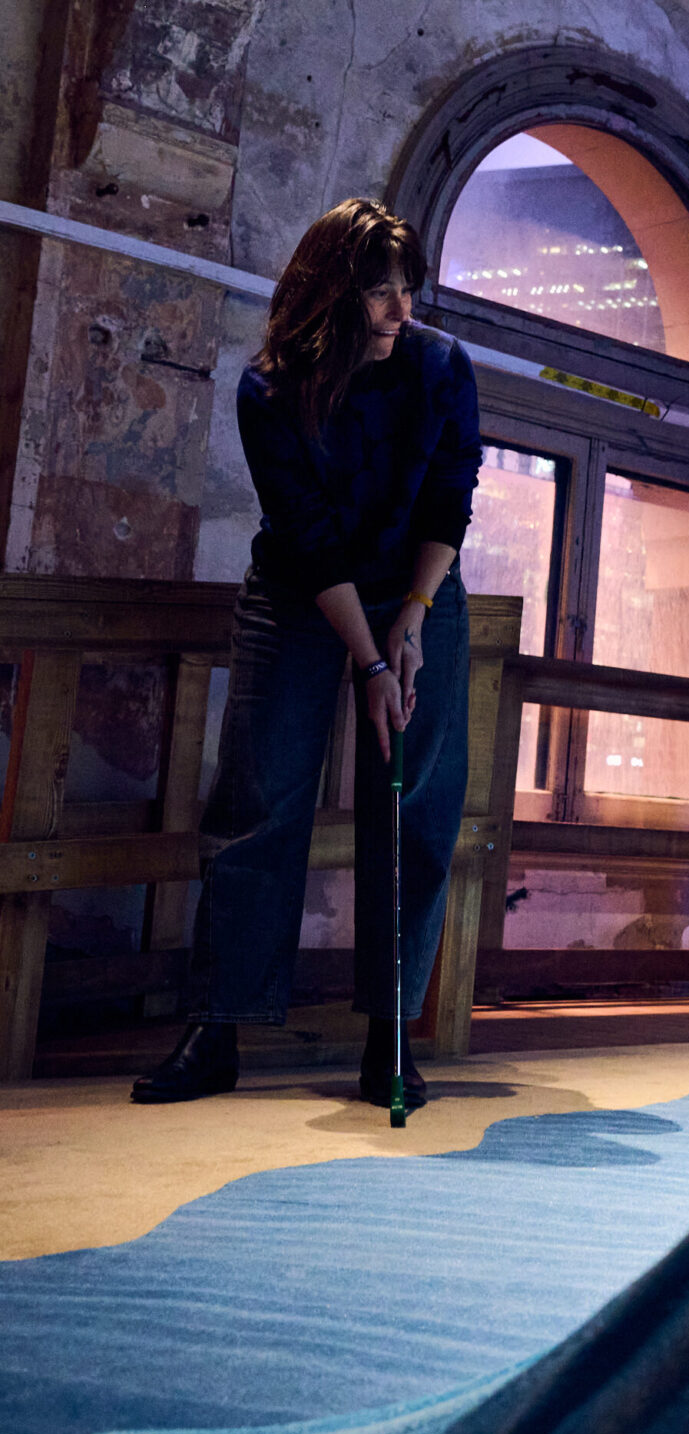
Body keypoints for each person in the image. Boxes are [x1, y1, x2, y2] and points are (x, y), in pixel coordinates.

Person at [131, 198, 482, 1108]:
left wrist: (407, 621)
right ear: (330, 294)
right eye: (380, 294)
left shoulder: (441, 366)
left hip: (418, 589)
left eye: (409, 290)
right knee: (258, 801)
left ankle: (387, 1041)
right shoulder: (273, 390)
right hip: (300, 590)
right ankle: (219, 1030)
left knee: (413, 805)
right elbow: (309, 534)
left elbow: (451, 495)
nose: (402, 313)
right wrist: (365, 660)